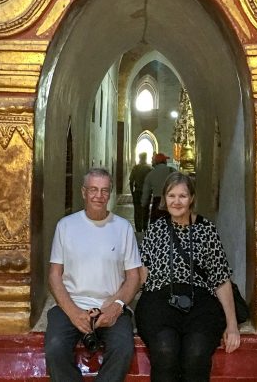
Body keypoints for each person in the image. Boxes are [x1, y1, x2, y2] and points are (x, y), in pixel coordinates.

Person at [135, 172, 241, 381]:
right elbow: (141, 275)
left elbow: (221, 279)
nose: (176, 201)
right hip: (159, 303)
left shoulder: (207, 230)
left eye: (182, 196)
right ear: (164, 199)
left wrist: (232, 325)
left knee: (197, 353)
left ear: (191, 198)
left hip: (199, 304)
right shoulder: (155, 230)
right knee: (165, 350)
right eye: (171, 195)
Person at [45, 167, 142, 382]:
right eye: (93, 190)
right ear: (83, 192)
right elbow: (54, 275)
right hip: (71, 304)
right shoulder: (66, 226)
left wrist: (116, 306)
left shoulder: (123, 228)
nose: (99, 196)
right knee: (55, 347)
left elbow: (133, 277)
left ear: (110, 193)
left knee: (123, 349)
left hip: (110, 306)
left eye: (105, 190)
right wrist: (72, 311)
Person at [141, 153, 175, 227]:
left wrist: (144, 204)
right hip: (171, 202)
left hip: (157, 203)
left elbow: (146, 194)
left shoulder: (150, 174)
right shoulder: (172, 171)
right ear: (164, 162)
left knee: (156, 227)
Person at [129, 152, 152, 231]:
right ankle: (145, 228)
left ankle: (138, 229)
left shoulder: (136, 168)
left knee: (137, 211)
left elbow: (131, 181)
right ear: (145, 158)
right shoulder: (149, 169)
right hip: (146, 193)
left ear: (139, 158)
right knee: (146, 211)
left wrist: (132, 192)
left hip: (137, 192)